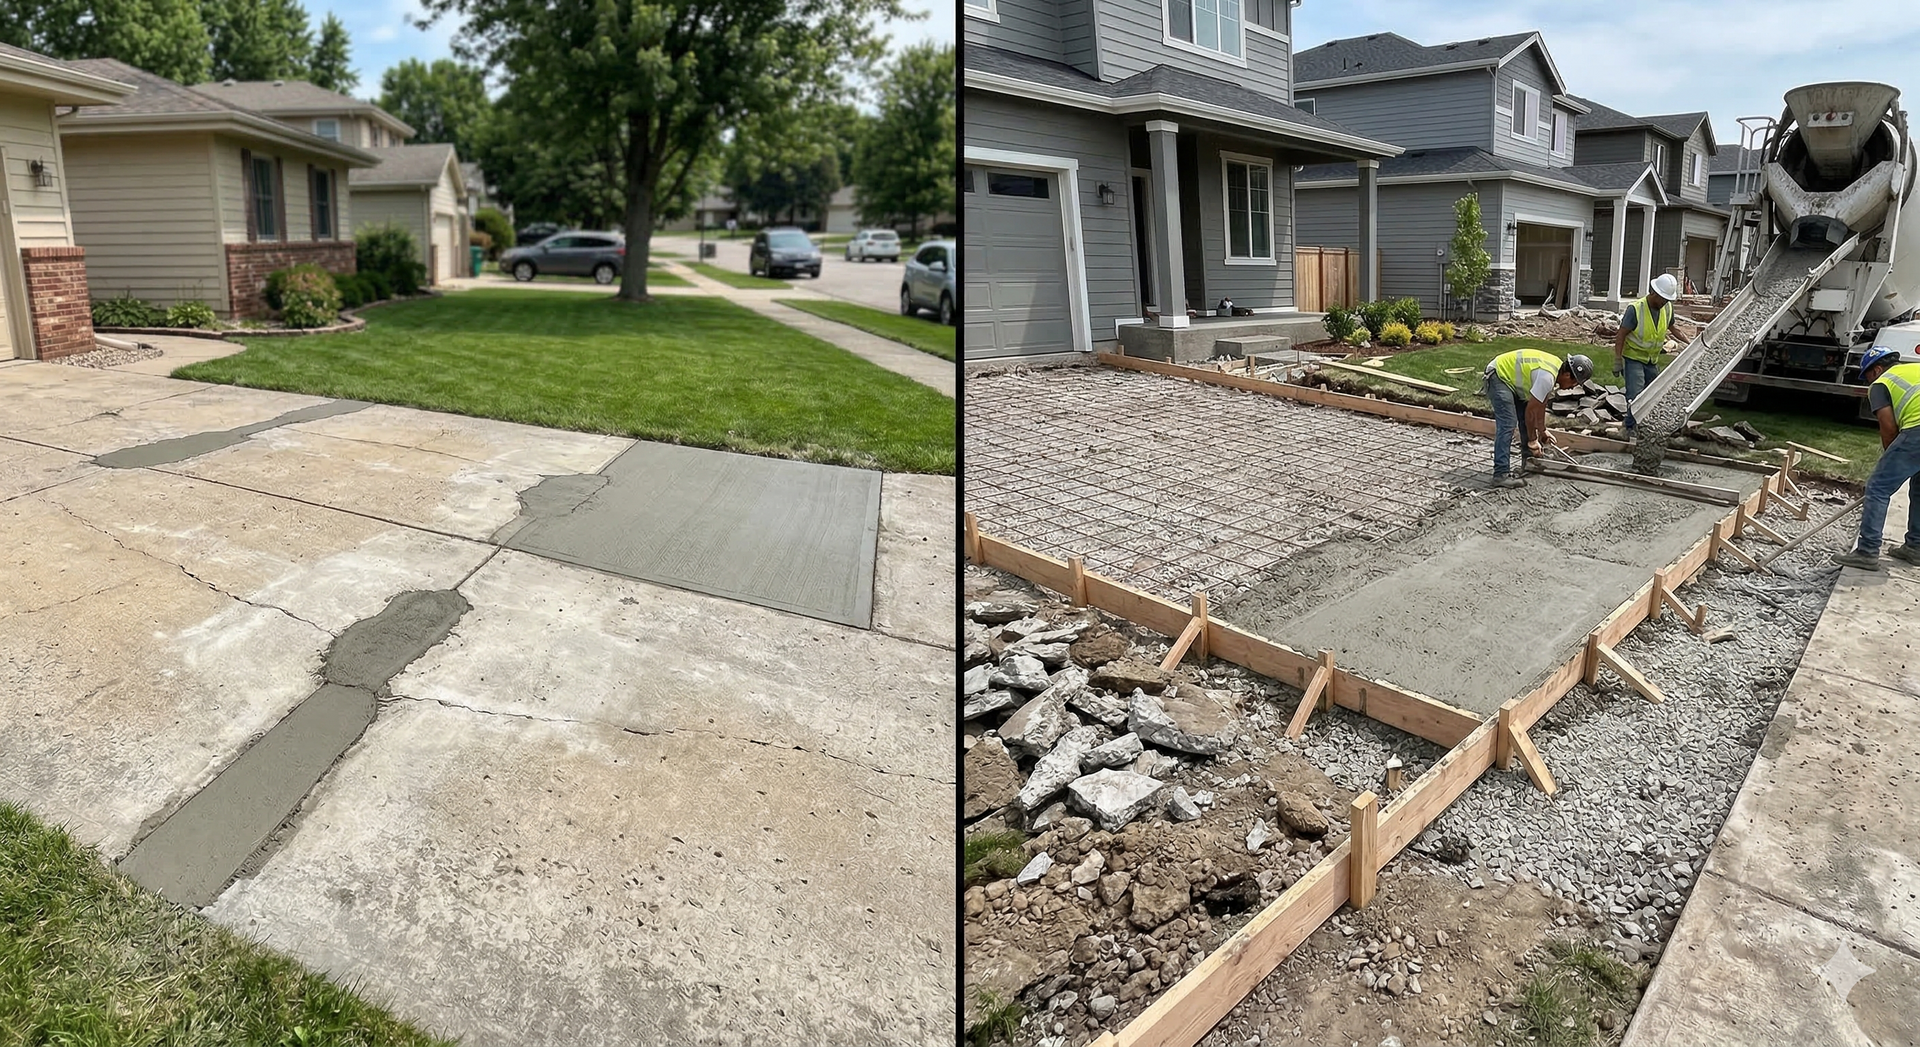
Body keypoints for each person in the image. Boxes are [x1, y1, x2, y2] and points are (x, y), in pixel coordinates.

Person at [1833, 347, 1920, 570]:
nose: (1868, 382)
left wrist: (1889, 458)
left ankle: (1867, 551)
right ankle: (1916, 547)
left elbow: (1888, 428)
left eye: (1868, 377)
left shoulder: (1881, 383)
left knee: (1878, 488)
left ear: (1877, 369)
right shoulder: (1915, 369)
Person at [1484, 347, 1595, 487]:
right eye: (1575, 383)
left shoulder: (1554, 370)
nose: (1573, 387)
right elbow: (1531, 412)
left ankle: (1529, 464)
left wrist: (1542, 430)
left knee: (1525, 419)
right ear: (1567, 375)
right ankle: (1500, 475)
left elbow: (1540, 405)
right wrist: (1533, 440)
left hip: (1509, 378)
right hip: (1498, 376)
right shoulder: (1547, 377)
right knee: (1508, 424)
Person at [1614, 272, 1693, 433]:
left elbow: (1673, 328)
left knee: (1653, 395)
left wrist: (1690, 343)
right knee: (1636, 396)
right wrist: (1617, 360)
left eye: (1667, 300)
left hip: (1652, 360)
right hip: (1634, 358)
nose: (1665, 302)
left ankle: (1646, 427)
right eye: (1663, 299)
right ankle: (1630, 429)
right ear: (1654, 293)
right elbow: (1621, 334)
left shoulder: (1667, 308)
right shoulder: (1635, 309)